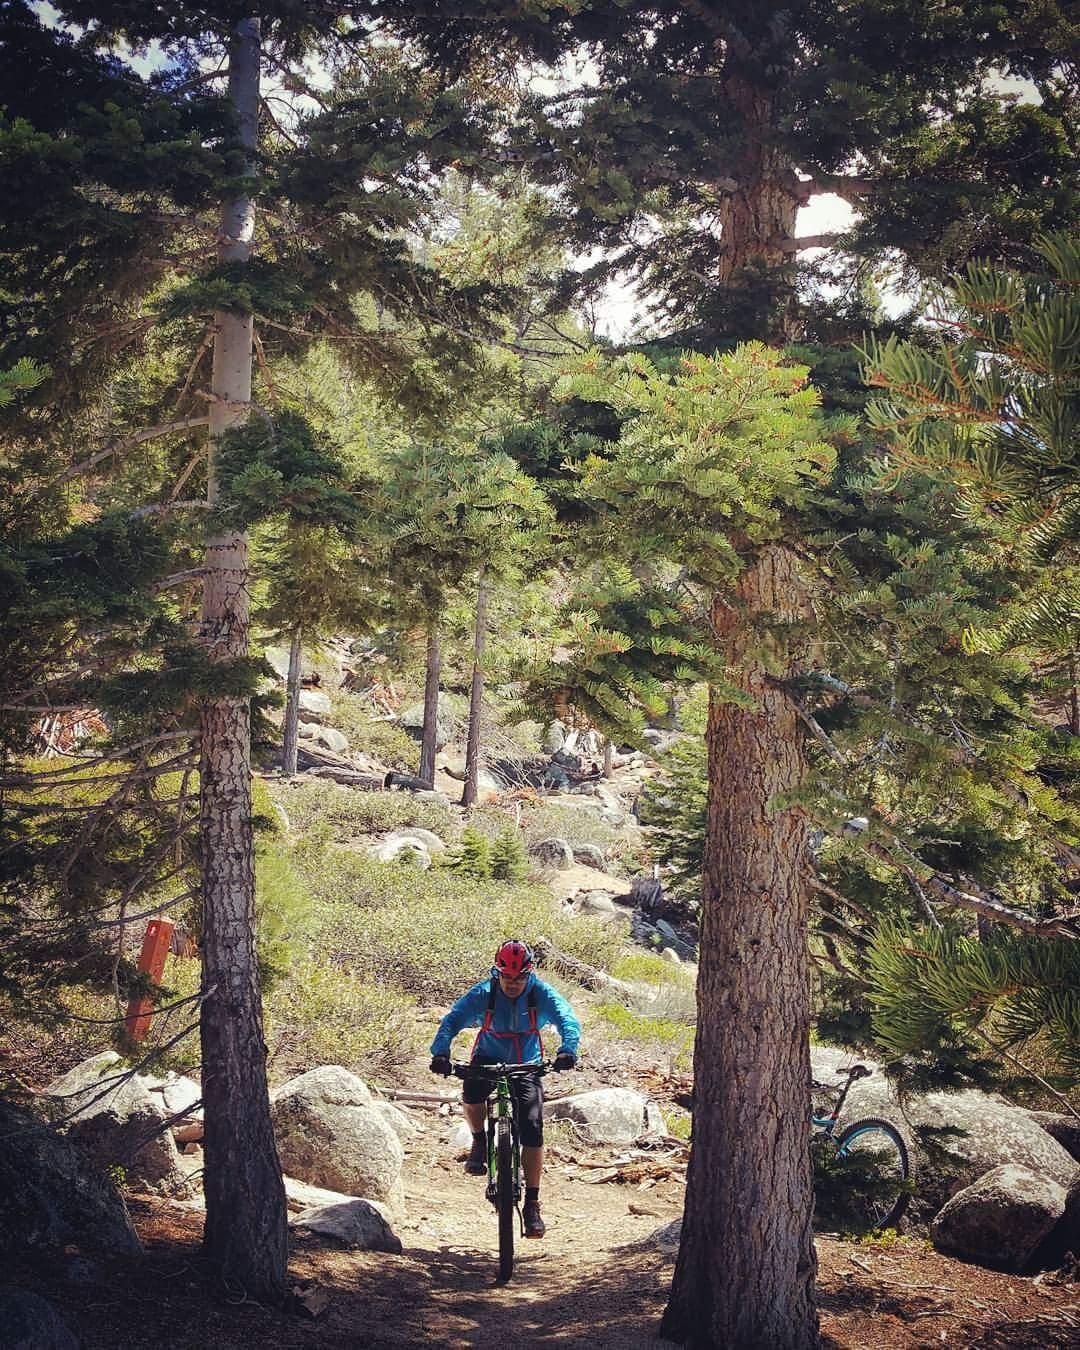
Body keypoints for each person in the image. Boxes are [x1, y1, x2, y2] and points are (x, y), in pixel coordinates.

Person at [429, 939, 581, 1239]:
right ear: (496, 972)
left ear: (529, 973)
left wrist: (568, 1049)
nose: (512, 984)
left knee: (533, 1127)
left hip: (527, 1062)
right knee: (472, 1094)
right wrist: (440, 1053)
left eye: (519, 977)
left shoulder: (542, 994)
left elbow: (567, 1019)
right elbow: (452, 1021)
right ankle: (479, 1140)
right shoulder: (483, 993)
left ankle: (533, 1203)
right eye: (506, 977)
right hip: (487, 1056)